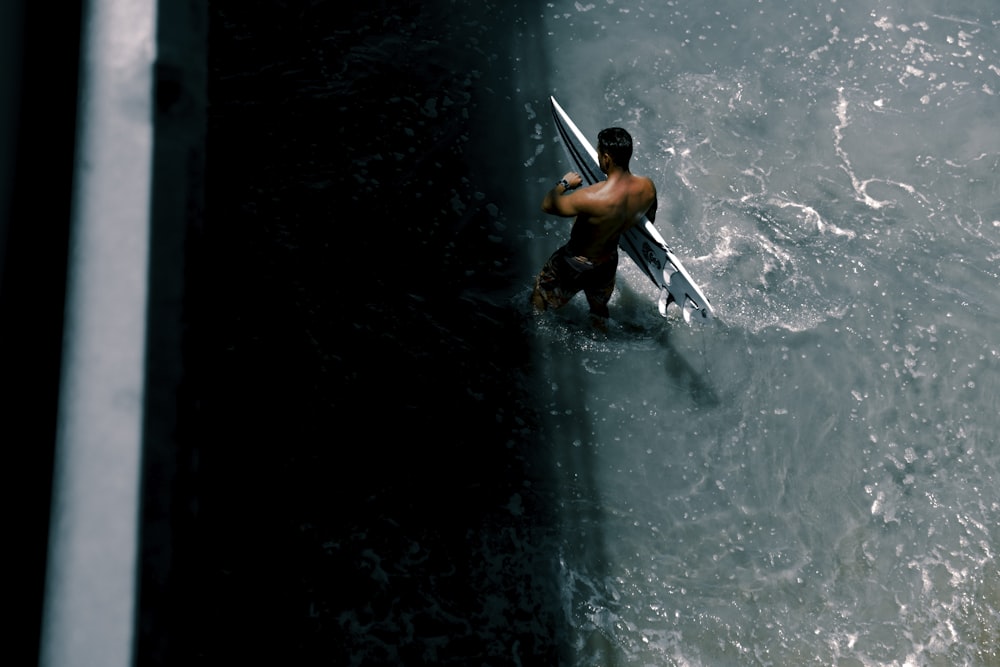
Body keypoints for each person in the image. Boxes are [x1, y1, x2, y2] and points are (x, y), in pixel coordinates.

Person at [531, 127, 658, 327]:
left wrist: (564, 183)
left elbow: (548, 204)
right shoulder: (647, 188)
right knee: (599, 309)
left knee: (540, 294)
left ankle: (538, 333)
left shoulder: (591, 197)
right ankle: (601, 332)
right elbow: (649, 219)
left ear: (606, 158)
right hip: (607, 264)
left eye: (599, 153)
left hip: (574, 263)